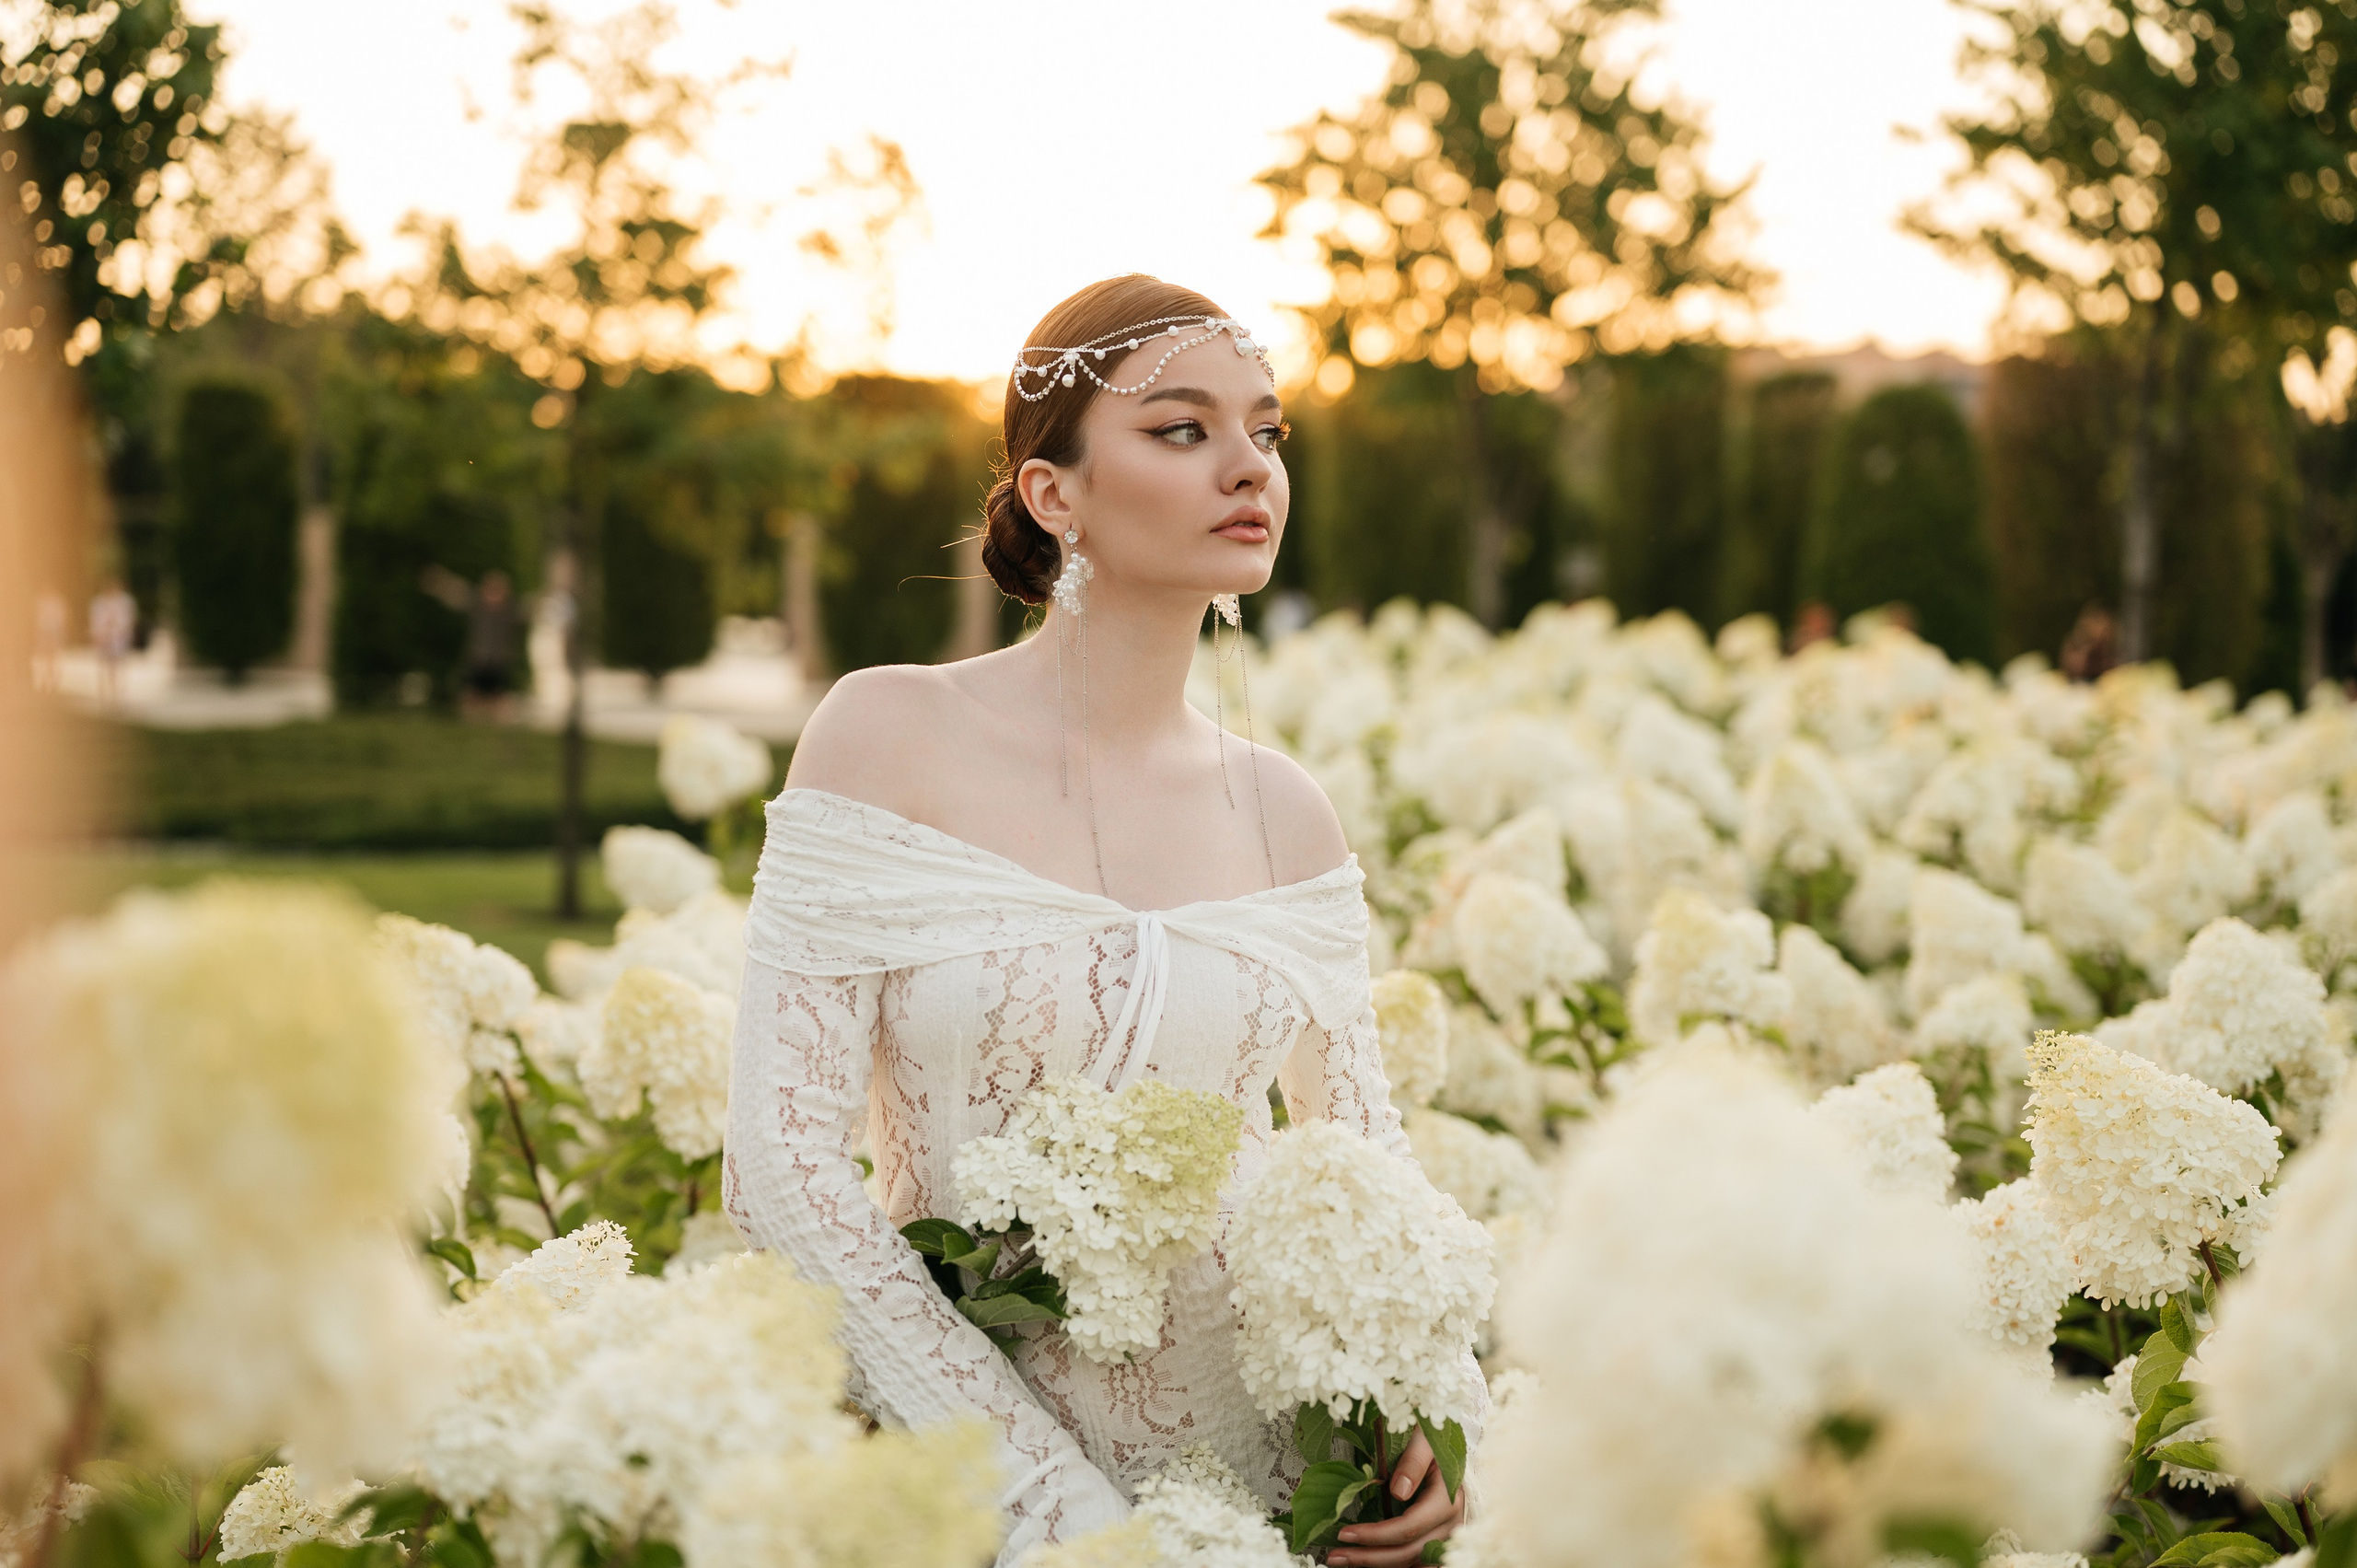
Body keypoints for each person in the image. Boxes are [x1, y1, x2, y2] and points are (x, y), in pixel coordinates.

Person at [724, 275, 1482, 1567]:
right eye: (1181, 429)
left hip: (1270, 1491)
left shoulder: (1289, 810)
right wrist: (1048, 1512)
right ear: (1053, 493)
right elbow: (781, 1170)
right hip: (966, 1489)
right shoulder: (883, 733)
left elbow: (1366, 1162)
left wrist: (1433, 1411)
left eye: (1268, 430)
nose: (1247, 466)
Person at [87, 578, 136, 707]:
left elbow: (129, 620)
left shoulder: (126, 601)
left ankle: (118, 694)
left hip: (119, 639)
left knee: (117, 666)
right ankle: (106, 694)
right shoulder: (98, 603)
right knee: (105, 666)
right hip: (104, 639)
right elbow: (95, 622)